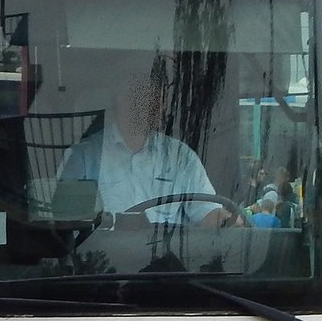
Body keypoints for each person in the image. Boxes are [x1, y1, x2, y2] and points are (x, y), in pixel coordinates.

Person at [58, 65, 233, 226]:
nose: (153, 106)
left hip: (170, 256)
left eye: (158, 99)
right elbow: (69, 224)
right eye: (143, 97)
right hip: (104, 257)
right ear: (119, 99)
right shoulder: (82, 157)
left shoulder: (180, 156)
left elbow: (206, 213)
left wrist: (227, 222)